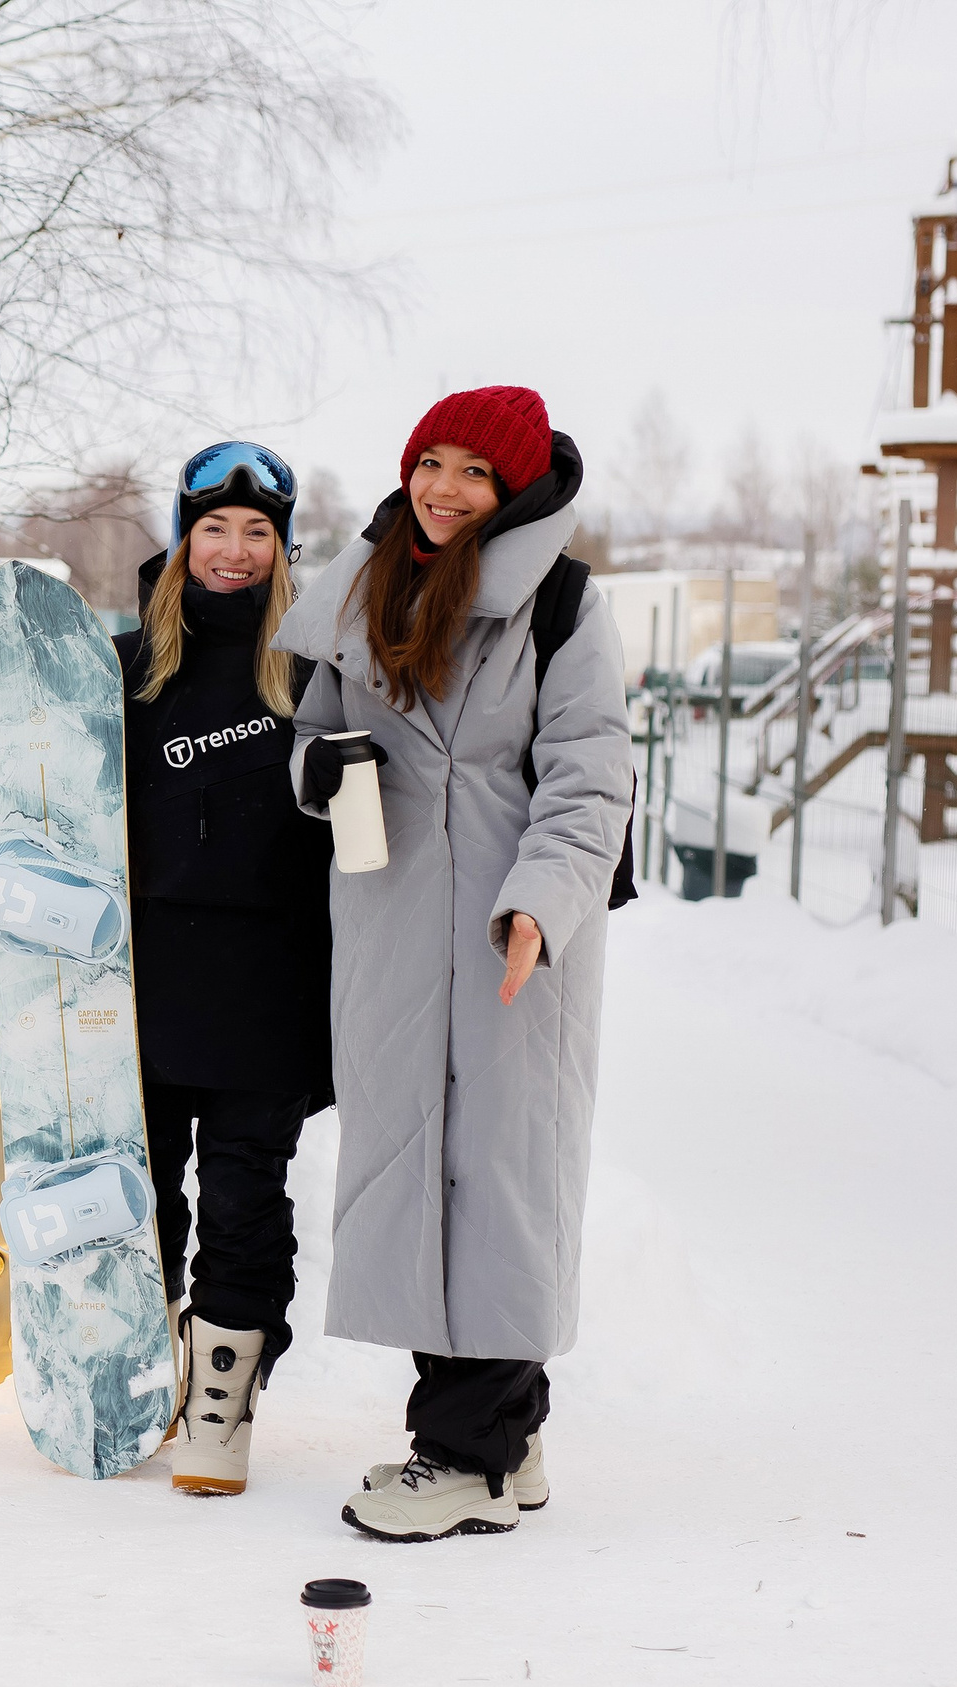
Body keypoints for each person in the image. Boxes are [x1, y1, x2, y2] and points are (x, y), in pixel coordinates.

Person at [274, 386, 632, 1541]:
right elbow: (312, 730)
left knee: (498, 1176)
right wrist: (317, 773)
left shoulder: (564, 604)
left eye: (474, 471)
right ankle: (507, 1438)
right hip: (386, 919)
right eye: (431, 460)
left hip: (509, 931)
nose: (443, 488)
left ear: (514, 488)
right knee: (415, 1164)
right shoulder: (369, 578)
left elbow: (589, 776)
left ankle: (461, 1452)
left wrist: (536, 905)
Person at [111, 442, 334, 1497]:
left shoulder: (321, 668)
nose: (235, 550)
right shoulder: (121, 666)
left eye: (258, 532)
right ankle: (145, 1372)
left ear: (284, 549)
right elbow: (27, 727)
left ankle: (221, 1404)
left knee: (246, 1200)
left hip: (270, 980)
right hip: (145, 982)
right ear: (182, 538)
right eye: (214, 528)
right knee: (142, 1194)